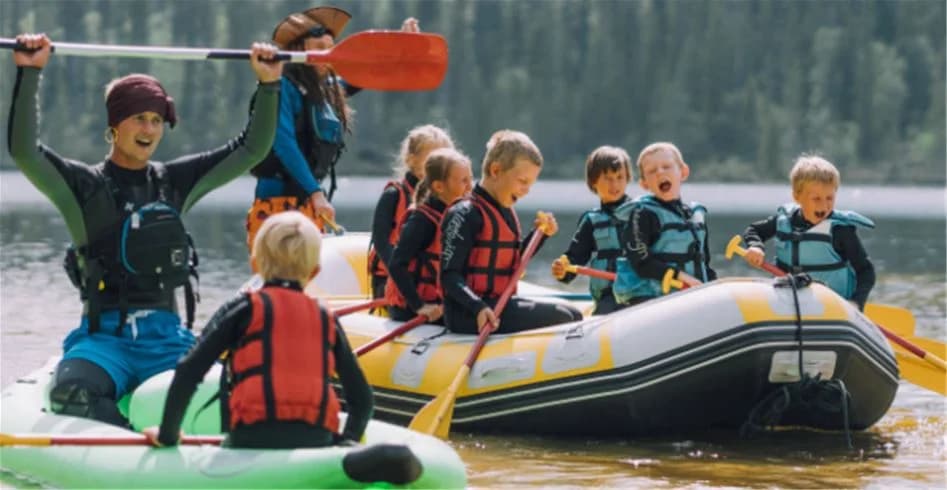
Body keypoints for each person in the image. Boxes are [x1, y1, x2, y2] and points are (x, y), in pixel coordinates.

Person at [7, 33, 283, 426]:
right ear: (115, 125)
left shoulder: (174, 182)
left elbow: (250, 150)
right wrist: (30, 73)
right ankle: (130, 455)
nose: (149, 129)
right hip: (104, 342)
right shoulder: (84, 187)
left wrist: (269, 84)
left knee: (228, 398)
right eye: (139, 118)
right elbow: (25, 152)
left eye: (156, 120)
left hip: (167, 341)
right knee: (74, 396)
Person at [144, 211, 373, 448]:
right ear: (314, 271)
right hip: (317, 439)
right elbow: (363, 400)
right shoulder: (327, 319)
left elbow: (188, 371)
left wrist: (167, 435)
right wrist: (347, 443)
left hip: (251, 438)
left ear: (254, 263)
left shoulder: (244, 310)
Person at [246, 6, 421, 253]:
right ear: (298, 50)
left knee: (309, 280)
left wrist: (401, 45)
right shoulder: (281, 86)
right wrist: (316, 194)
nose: (327, 54)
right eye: (319, 48)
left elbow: (371, 73)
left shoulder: (327, 88)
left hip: (309, 201)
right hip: (277, 202)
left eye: (330, 48)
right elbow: (283, 143)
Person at [440, 130, 583, 335]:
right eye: (523, 181)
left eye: (530, 184)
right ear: (496, 170)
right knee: (563, 317)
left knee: (573, 314)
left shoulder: (505, 213)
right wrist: (478, 307)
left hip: (499, 304)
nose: (526, 190)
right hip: (467, 313)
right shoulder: (464, 214)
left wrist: (539, 234)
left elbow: (515, 262)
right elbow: (449, 275)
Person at [741, 155, 875, 309]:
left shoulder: (840, 231)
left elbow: (866, 271)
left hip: (833, 309)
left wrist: (856, 303)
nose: (824, 206)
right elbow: (754, 230)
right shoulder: (783, 221)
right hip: (788, 305)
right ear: (797, 196)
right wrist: (756, 246)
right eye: (816, 199)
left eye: (829, 198)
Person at [616, 142, 717, 306]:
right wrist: (681, 276)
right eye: (652, 171)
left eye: (666, 166)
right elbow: (641, 262)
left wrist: (713, 288)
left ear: (683, 172)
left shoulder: (696, 216)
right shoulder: (642, 214)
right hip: (652, 300)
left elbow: (705, 264)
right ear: (644, 184)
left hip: (691, 297)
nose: (660, 172)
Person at [383, 148, 474, 323]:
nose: (470, 187)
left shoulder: (457, 217)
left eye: (470, 179)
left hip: (440, 305)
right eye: (464, 181)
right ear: (439, 187)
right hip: (411, 309)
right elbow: (396, 264)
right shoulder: (421, 221)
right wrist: (419, 306)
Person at [368, 124, 455, 299]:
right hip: (392, 281)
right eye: (432, 158)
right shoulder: (394, 195)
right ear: (411, 160)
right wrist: (405, 282)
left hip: (431, 282)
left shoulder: (449, 200)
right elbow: (381, 243)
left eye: (445, 160)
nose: (440, 166)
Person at [551, 146, 635, 315]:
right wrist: (562, 270)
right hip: (609, 296)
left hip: (641, 291)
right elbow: (575, 257)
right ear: (594, 182)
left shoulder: (642, 214)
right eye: (608, 178)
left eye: (620, 177)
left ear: (628, 179)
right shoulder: (591, 221)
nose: (615, 184)